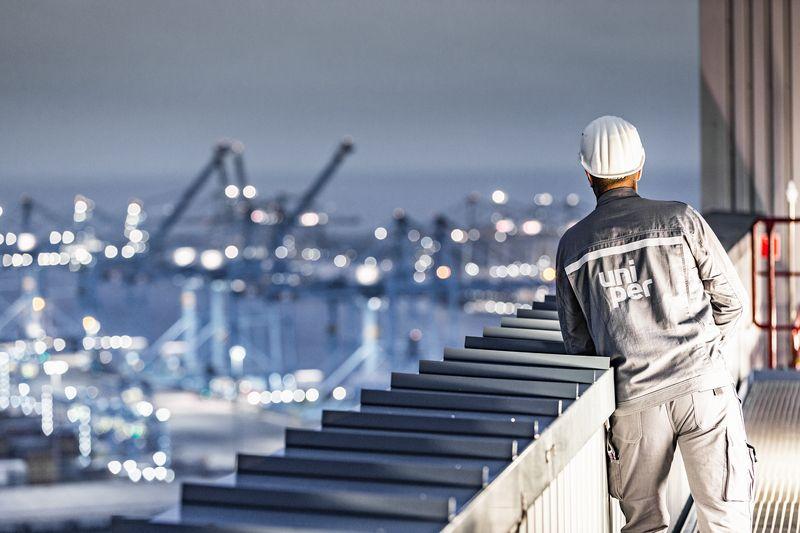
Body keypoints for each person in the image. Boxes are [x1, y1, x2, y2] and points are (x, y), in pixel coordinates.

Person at [555, 116, 756, 532]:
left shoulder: (573, 246)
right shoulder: (681, 220)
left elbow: (578, 345)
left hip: (634, 405)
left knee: (644, 526)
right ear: (640, 167)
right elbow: (732, 302)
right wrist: (699, 351)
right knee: (725, 516)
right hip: (703, 388)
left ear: (587, 173)